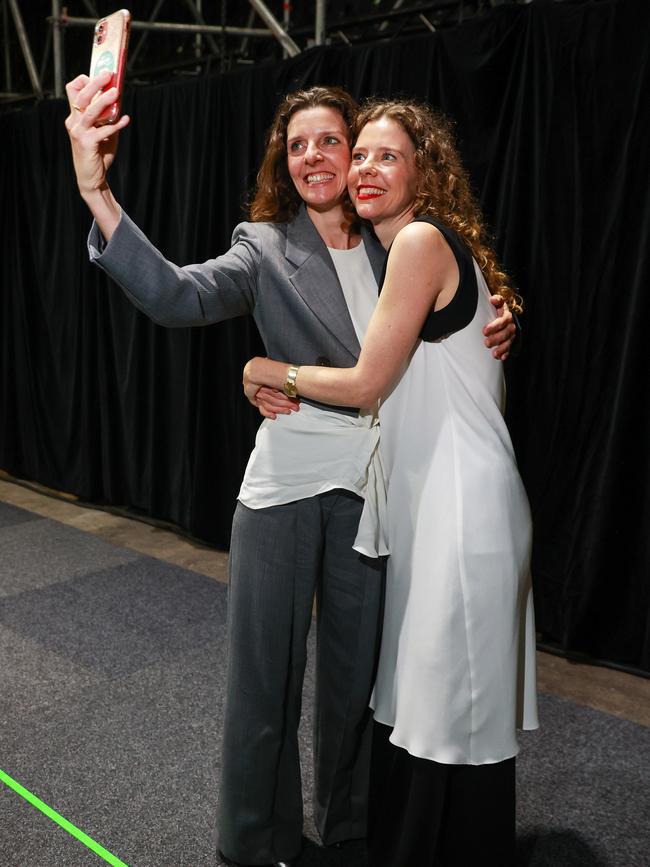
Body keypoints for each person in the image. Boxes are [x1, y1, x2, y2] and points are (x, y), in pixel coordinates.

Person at [64, 73, 516, 867]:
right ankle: (256, 840)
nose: (313, 156)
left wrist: (500, 309)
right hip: (284, 488)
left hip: (374, 496)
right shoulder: (263, 245)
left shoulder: (395, 238)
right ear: (286, 159)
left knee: (356, 685)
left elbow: (452, 309)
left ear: (358, 152)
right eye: (296, 143)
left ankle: (349, 827)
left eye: (330, 141)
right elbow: (174, 294)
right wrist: (96, 189)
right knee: (264, 681)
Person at [243, 98, 539, 867]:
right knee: (433, 710)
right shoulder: (411, 248)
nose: (368, 169)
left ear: (423, 170)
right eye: (361, 155)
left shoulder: (415, 242)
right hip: (437, 506)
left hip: (461, 507)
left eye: (387, 156)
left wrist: (269, 369)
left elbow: (370, 381)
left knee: (451, 716)